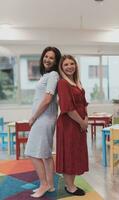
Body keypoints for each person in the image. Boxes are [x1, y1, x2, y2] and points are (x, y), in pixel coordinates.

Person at [25, 46, 61, 198]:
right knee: (46, 154)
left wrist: (33, 117)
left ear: (56, 61)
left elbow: (47, 99)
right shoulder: (47, 75)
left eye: (51, 58)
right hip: (45, 118)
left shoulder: (53, 75)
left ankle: (44, 184)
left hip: (44, 119)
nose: (47, 59)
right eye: (46, 56)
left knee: (32, 153)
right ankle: (51, 185)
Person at [56, 55, 89, 196]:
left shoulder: (77, 82)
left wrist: (86, 118)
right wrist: (82, 122)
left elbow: (84, 103)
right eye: (66, 65)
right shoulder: (63, 83)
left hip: (80, 124)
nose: (69, 66)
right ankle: (69, 187)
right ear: (61, 68)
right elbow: (67, 107)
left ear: (76, 65)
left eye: (72, 63)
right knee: (69, 153)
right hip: (69, 124)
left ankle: (71, 184)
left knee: (76, 153)